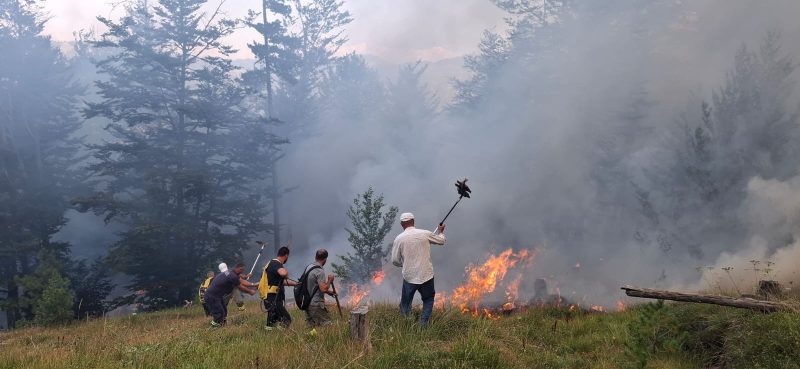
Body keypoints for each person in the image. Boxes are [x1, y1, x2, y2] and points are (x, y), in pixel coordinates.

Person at [390, 212, 446, 326]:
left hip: (409, 277)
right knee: (428, 299)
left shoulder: (399, 239)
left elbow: (395, 260)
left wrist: (404, 264)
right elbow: (441, 241)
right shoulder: (424, 233)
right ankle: (423, 324)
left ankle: (407, 325)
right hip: (426, 275)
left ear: (402, 224)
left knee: (405, 304)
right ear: (413, 222)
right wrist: (440, 231)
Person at [204, 262, 258, 327]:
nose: (242, 272)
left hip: (218, 296)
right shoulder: (232, 276)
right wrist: (250, 291)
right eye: (241, 270)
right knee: (219, 314)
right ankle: (211, 329)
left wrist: (252, 283)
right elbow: (240, 285)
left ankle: (222, 327)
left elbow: (240, 278)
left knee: (224, 311)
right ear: (238, 268)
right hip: (212, 297)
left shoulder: (229, 272)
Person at [259, 246, 298, 329]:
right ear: (286, 255)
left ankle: (269, 336)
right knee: (286, 319)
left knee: (272, 320)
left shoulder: (271, 264)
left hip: (271, 297)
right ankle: (282, 336)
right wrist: (286, 273)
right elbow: (283, 273)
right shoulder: (276, 263)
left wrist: (295, 284)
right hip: (273, 298)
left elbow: (281, 281)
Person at [303, 249, 337, 327]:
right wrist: (329, 280)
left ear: (315, 257)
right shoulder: (319, 271)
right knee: (328, 326)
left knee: (311, 327)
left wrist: (329, 292)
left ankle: (309, 339)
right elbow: (323, 289)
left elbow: (314, 285)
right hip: (316, 304)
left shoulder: (309, 267)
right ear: (325, 259)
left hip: (307, 303)